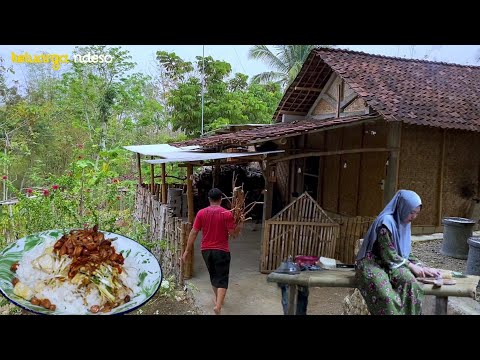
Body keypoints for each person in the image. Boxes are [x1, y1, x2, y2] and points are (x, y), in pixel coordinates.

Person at [355, 189, 441, 315]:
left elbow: (406, 253)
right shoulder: (386, 223)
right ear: (402, 207)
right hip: (373, 262)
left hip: (395, 263)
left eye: (417, 213)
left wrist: (422, 267)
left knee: (411, 284)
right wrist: (411, 266)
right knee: (386, 297)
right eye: (411, 212)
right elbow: (389, 254)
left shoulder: (404, 222)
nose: (414, 217)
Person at [182, 188, 241, 315]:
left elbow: (193, 232)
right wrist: (239, 226)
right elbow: (233, 234)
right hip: (222, 250)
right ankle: (218, 306)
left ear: (209, 199)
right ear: (221, 199)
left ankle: (217, 299)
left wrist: (187, 250)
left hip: (206, 251)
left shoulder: (201, 213)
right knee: (222, 278)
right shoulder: (227, 214)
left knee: (214, 275)